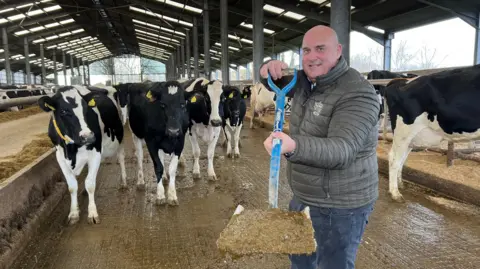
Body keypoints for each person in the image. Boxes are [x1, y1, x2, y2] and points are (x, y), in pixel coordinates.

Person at [259, 25, 380, 269]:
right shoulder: (306, 80)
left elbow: (342, 150)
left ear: (338, 51)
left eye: (320, 49)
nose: (312, 56)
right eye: (306, 50)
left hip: (340, 207)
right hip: (305, 197)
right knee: (300, 260)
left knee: (332, 265)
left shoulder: (357, 93)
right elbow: (272, 80)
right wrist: (266, 68)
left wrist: (293, 146)